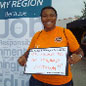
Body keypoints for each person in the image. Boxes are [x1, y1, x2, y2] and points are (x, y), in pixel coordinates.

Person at [18, 6, 84, 86]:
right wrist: (24, 57)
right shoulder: (37, 35)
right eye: (45, 16)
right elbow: (29, 52)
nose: (48, 18)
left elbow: (79, 51)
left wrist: (79, 56)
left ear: (56, 17)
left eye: (52, 15)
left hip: (61, 82)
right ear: (41, 18)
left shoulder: (65, 33)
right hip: (37, 80)